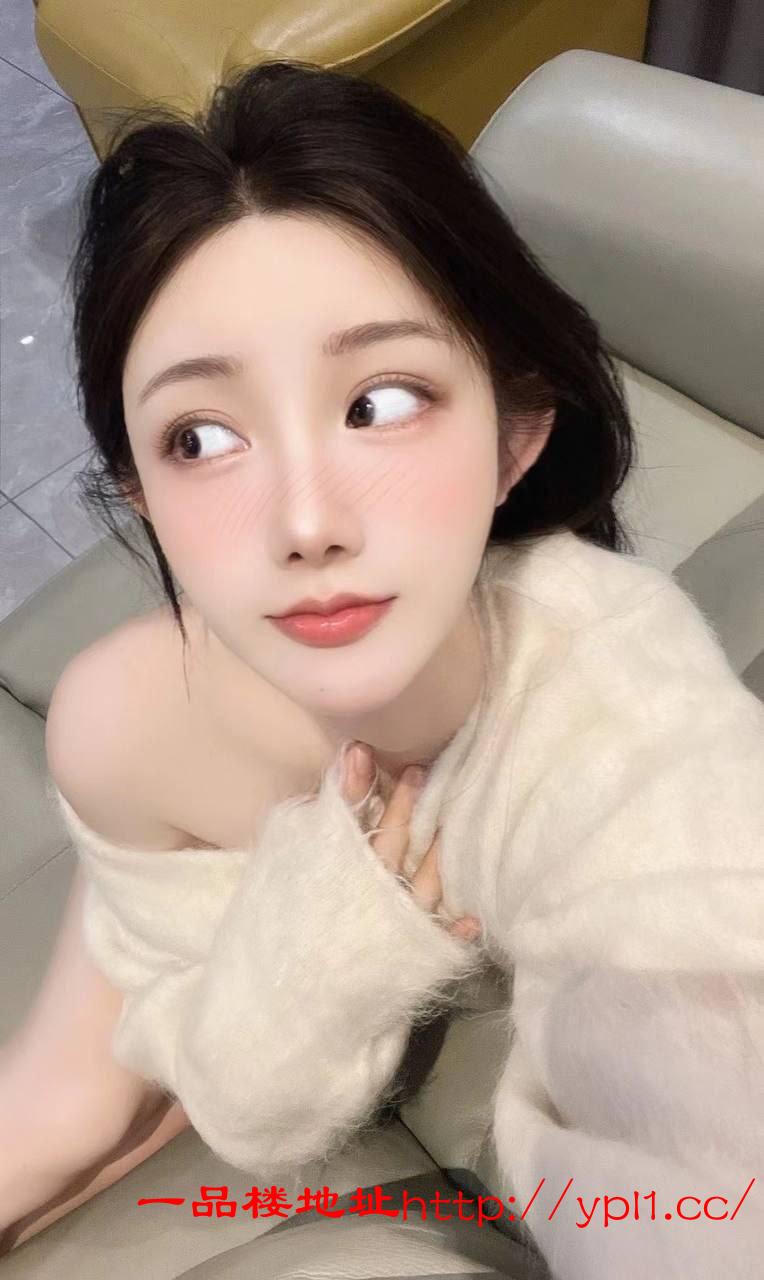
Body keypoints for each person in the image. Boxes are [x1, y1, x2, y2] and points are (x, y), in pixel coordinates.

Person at [1, 59, 761, 1277]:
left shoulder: (621, 727)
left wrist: (322, 953)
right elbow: (124, 1090)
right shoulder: (123, 714)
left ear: (512, 435)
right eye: (203, 436)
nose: (305, 521)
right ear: (140, 492)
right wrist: (315, 948)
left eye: (382, 402)